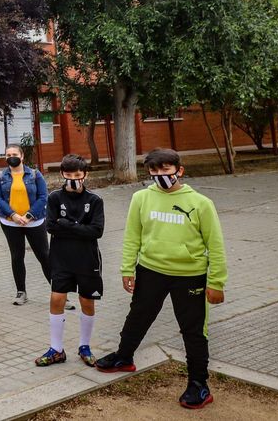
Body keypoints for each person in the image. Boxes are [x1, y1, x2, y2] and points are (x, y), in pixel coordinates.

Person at [95, 148, 227, 410]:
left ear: (180, 170)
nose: (160, 175)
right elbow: (132, 236)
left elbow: (216, 245)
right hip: (150, 270)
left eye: (165, 170)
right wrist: (127, 269)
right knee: (138, 316)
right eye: (154, 171)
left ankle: (199, 384)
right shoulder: (141, 198)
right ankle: (124, 357)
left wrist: (216, 282)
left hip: (190, 275)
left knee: (193, 330)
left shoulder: (201, 203)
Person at [37, 154, 105, 367]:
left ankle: (85, 346)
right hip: (60, 258)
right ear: (62, 175)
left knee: (87, 301)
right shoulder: (54, 198)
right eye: (69, 174)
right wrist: (78, 227)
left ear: (85, 174)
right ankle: (56, 349)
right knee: (57, 300)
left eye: (78, 174)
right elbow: (50, 226)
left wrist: (66, 224)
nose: (74, 178)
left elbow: (96, 231)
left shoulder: (94, 200)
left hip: (87, 259)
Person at [0, 144, 63, 307]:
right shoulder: (1, 176)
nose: (11, 157)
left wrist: (29, 215)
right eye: (8, 154)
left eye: (14, 154)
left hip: (35, 222)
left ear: (22, 156)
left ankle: (59, 292)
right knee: (17, 257)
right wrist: (14, 215)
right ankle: (21, 292)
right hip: (10, 223)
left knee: (44, 256)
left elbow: (43, 196)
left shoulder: (35, 174)